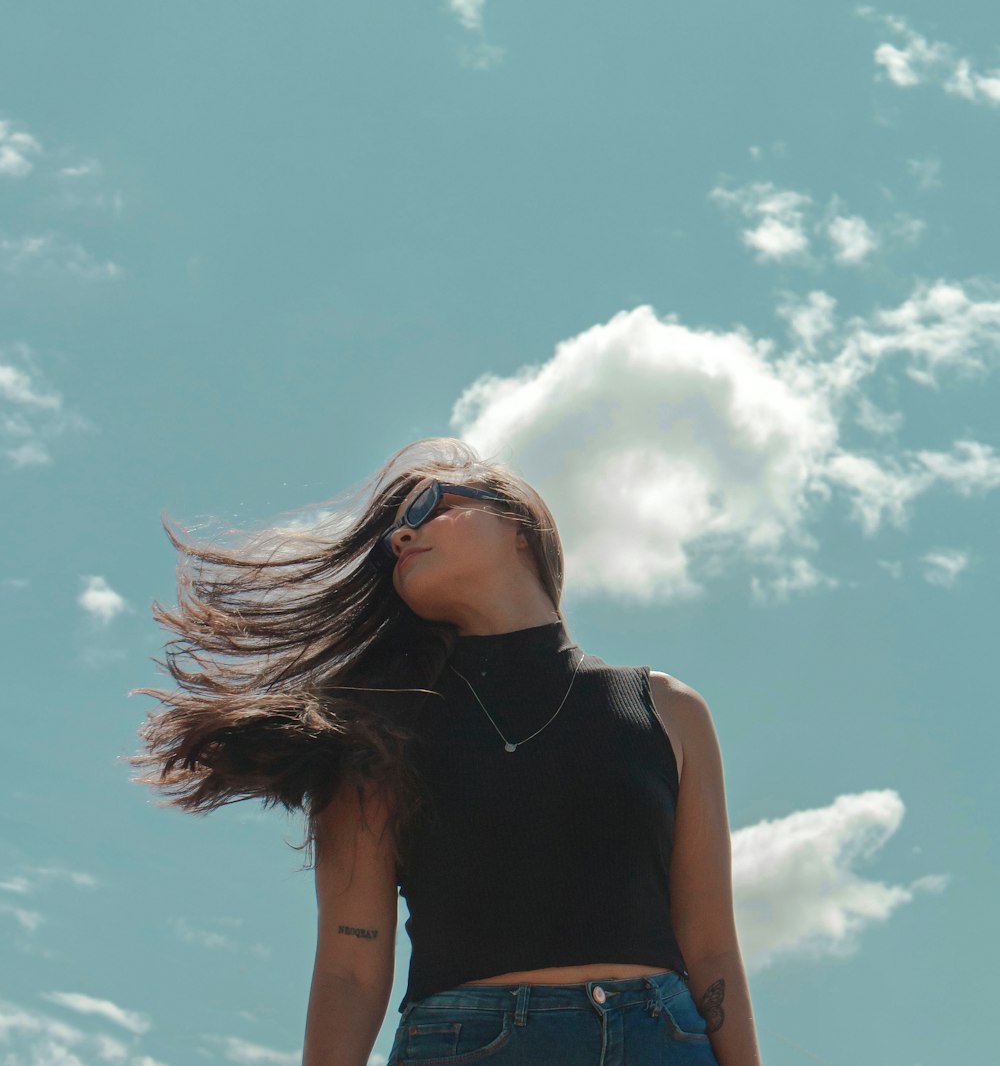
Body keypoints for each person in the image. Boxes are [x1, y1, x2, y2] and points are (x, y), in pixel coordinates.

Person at [128, 437, 763, 1066]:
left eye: (428, 505)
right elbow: (351, 968)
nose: (402, 537)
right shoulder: (371, 733)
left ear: (518, 524)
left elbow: (711, 950)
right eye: (392, 536)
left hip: (664, 1040)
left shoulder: (668, 709)